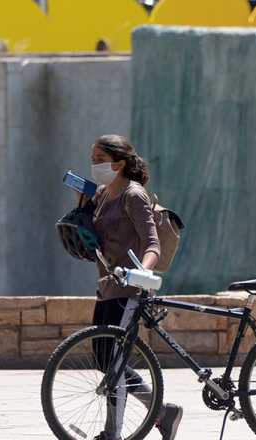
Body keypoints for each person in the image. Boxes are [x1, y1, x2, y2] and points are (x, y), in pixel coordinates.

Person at [87, 134, 183, 440]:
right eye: (92, 159)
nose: (94, 165)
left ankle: (112, 434)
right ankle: (162, 412)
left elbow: (152, 243)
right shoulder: (102, 194)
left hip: (129, 289)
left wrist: (141, 271)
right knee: (103, 357)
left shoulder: (134, 194)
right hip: (107, 285)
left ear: (119, 163)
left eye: (99, 160)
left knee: (114, 363)